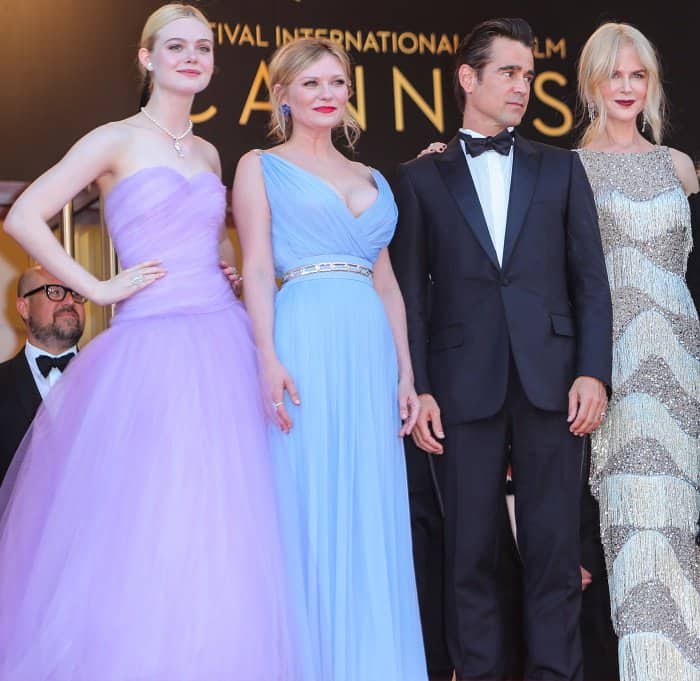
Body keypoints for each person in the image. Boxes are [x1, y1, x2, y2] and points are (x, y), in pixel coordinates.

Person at [0, 5, 303, 678]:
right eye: (176, 46)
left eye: (203, 47)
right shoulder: (113, 138)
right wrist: (98, 287)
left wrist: (221, 261)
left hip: (221, 339)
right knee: (148, 521)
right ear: (147, 59)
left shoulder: (209, 151)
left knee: (221, 523)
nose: (191, 56)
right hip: (149, 350)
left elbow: (210, 239)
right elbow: (25, 213)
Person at [389, 17, 613, 681]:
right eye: (509, 72)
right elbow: (412, 295)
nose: (523, 86)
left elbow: (590, 281)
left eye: (529, 73)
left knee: (553, 556)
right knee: (470, 559)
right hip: (460, 386)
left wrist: (593, 371)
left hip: (553, 382)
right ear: (468, 78)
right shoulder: (419, 178)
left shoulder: (561, 167)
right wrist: (420, 385)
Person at [232, 36, 428, 681]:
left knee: (371, 505)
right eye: (310, 83)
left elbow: (388, 284)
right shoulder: (259, 165)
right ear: (281, 94)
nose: (325, 94)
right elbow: (258, 266)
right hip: (304, 337)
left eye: (336, 83)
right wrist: (265, 354)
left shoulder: (371, 177)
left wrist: (405, 372)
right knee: (306, 498)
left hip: (369, 349)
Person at [575, 22, 700, 680]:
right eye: (614, 74)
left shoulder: (679, 167)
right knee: (636, 530)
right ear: (592, 82)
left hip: (684, 370)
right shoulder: (570, 171)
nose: (626, 87)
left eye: (638, 75)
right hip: (620, 372)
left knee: (679, 532)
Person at [0, 266, 86, 479]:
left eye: (76, 292)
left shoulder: (112, 379)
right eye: (55, 292)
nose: (69, 301)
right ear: (23, 307)